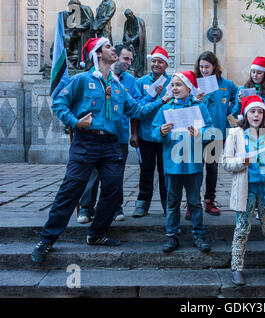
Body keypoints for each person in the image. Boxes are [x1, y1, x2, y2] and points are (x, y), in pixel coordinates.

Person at [31, 37, 167, 264]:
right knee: (71, 190)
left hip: (111, 145)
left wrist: (162, 99)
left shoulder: (118, 86)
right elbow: (58, 103)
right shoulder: (81, 80)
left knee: (113, 190)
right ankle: (47, 239)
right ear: (97, 53)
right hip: (85, 142)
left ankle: (97, 233)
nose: (113, 49)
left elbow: (138, 110)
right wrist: (75, 122)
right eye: (107, 47)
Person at [223, 95, 265, 286]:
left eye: (260, 111)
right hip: (247, 188)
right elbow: (226, 162)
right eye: (252, 111)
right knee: (242, 229)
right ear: (246, 114)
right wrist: (241, 162)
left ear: (264, 115)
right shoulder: (235, 134)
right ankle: (237, 268)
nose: (256, 115)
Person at [76, 43, 143, 224]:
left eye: (130, 59)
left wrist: (134, 134)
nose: (129, 62)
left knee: (115, 175)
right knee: (92, 174)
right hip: (95, 136)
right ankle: (86, 208)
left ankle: (115, 207)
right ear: (116, 58)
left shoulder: (129, 81)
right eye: (125, 58)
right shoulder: (91, 78)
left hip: (118, 135)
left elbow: (136, 108)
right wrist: (75, 122)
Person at [151, 71, 213, 254]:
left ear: (188, 87)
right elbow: (153, 132)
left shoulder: (200, 107)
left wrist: (200, 134)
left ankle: (198, 235)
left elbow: (211, 130)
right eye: (173, 85)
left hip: (193, 163)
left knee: (194, 202)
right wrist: (161, 131)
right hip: (172, 164)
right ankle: (172, 235)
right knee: (172, 201)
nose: (174, 88)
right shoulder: (165, 109)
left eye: (179, 85)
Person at [193, 51, 238, 218]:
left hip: (216, 133)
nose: (204, 70)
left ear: (214, 67)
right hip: (197, 133)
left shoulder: (226, 84)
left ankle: (209, 200)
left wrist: (231, 114)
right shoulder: (195, 84)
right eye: (201, 67)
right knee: (196, 168)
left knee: (212, 168)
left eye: (207, 67)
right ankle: (193, 202)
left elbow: (238, 98)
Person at [131, 46, 172, 217]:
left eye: (160, 62)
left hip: (166, 137)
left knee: (166, 172)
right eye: (154, 61)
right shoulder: (140, 82)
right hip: (145, 135)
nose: (156, 64)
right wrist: (133, 134)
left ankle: (167, 203)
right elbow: (135, 110)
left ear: (166, 65)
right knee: (146, 170)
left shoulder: (172, 83)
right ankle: (142, 203)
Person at [232, 56, 265, 128]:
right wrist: (240, 104)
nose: (255, 75)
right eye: (253, 72)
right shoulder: (243, 89)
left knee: (264, 139)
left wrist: (260, 100)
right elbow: (235, 114)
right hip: (247, 130)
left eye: (259, 73)